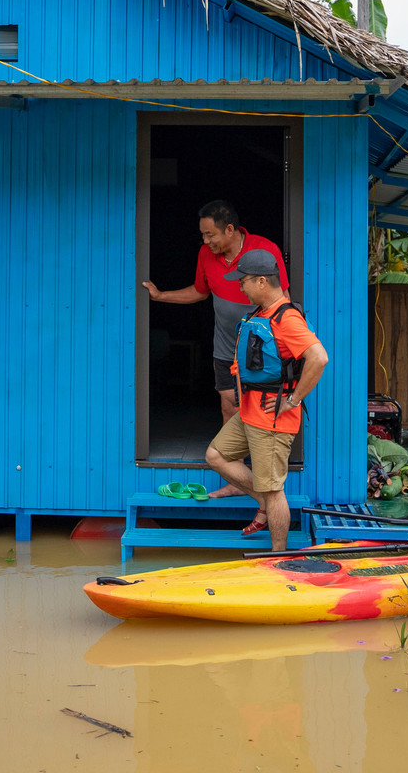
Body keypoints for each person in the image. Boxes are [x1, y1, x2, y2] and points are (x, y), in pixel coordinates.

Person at [142, 201, 289, 497]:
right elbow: (199, 291)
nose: (205, 241)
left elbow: (282, 297)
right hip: (224, 347)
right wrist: (160, 297)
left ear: (230, 230)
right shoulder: (205, 255)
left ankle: (266, 484)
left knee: (261, 409)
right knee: (228, 406)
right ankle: (236, 477)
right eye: (203, 236)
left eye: (210, 235)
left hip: (260, 350)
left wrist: (284, 346)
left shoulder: (264, 249)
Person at [204, 249, 327, 551]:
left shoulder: (287, 318)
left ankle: (278, 556)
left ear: (261, 281)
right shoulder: (261, 314)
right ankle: (262, 504)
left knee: (274, 491)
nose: (240, 287)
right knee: (216, 455)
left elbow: (319, 358)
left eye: (243, 281)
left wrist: (293, 400)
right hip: (249, 411)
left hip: (272, 419)